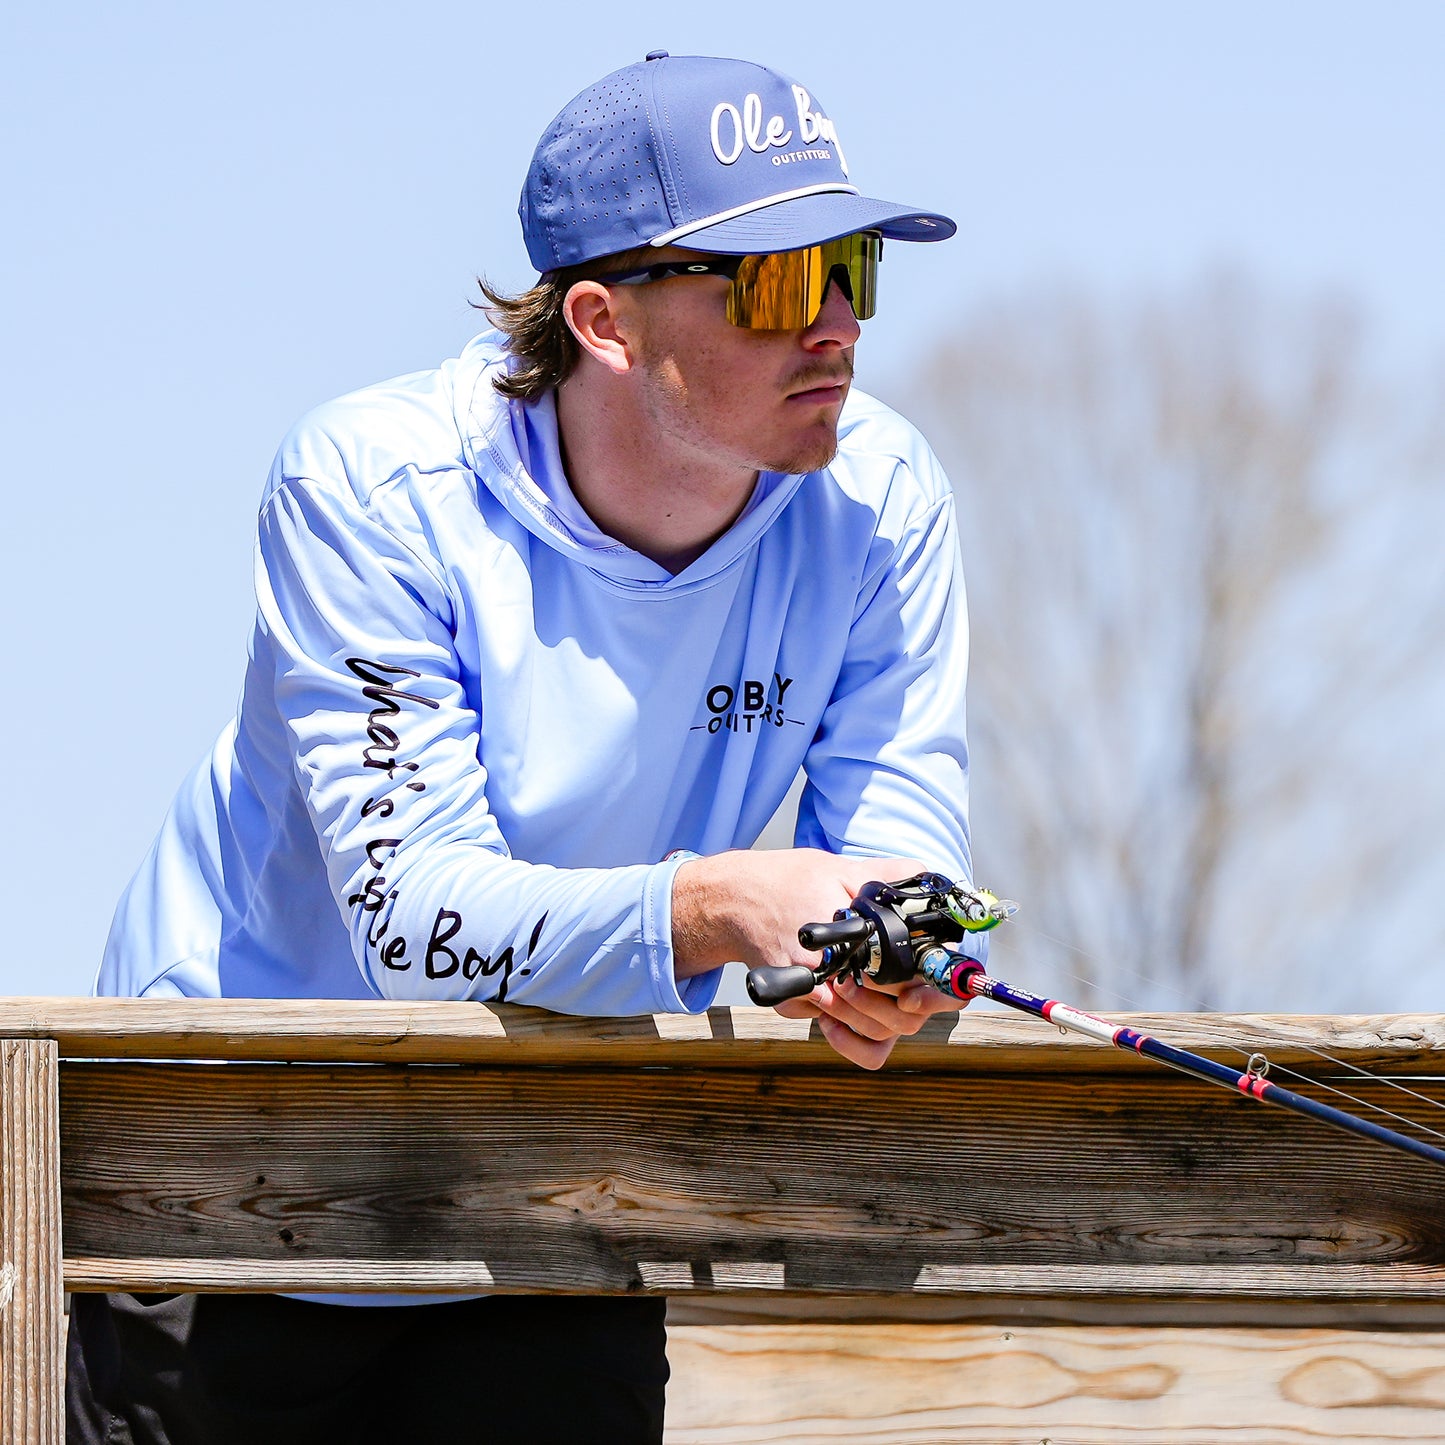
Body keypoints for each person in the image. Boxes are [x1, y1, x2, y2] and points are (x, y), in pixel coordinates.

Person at [67, 50, 985, 1445]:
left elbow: (899, 850)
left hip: (562, 1172)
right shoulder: (368, 487)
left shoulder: (883, 496)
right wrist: (723, 901)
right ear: (605, 320)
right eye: (782, 285)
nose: (841, 326)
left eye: (852, 264)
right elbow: (414, 917)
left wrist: (893, 964)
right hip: (231, 1166)